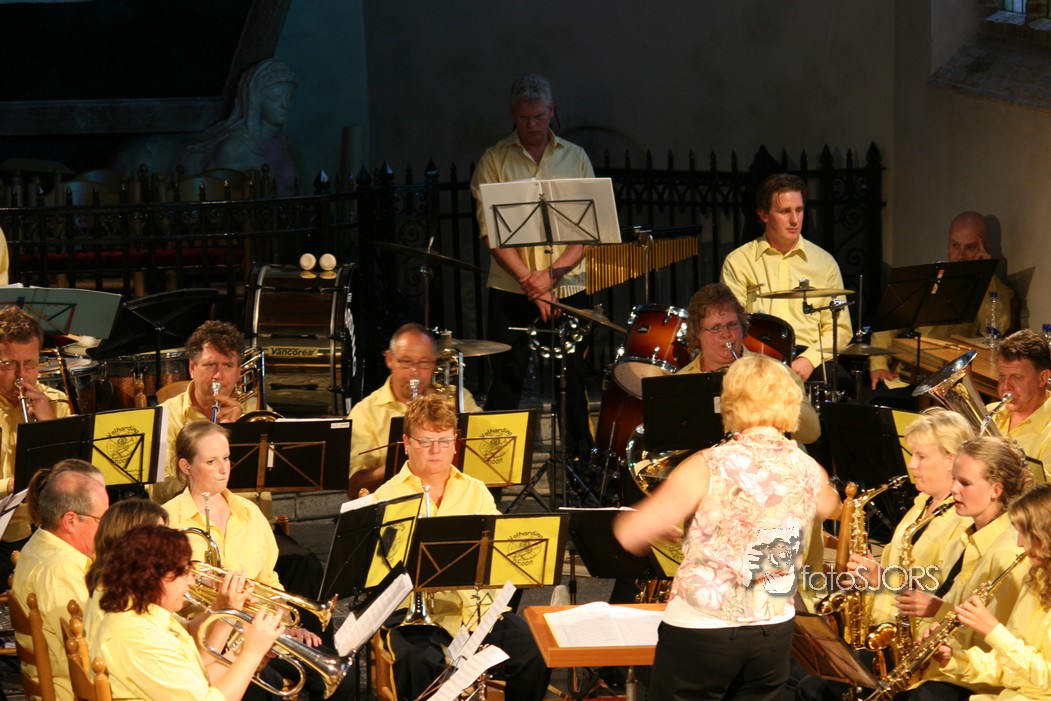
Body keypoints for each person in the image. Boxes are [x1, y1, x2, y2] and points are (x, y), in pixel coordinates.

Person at [613, 354, 840, 701]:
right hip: (772, 628)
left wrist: (642, 523)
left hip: (704, 629)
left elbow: (632, 533)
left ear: (730, 402)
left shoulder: (707, 465)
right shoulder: (810, 468)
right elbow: (828, 506)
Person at [372, 393, 549, 701]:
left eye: (444, 441)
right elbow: (377, 575)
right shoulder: (385, 498)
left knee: (534, 651)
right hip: (412, 618)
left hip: (475, 611)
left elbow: (497, 551)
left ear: (455, 443)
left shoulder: (475, 490)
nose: (436, 450)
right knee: (417, 662)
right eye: (426, 441)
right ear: (407, 443)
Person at [163, 420, 353, 701]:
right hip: (207, 643)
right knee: (267, 686)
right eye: (211, 461)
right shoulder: (168, 522)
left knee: (341, 678)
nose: (224, 468)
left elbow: (269, 582)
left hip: (260, 629)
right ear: (186, 466)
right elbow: (166, 602)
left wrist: (286, 624)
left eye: (226, 458)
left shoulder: (249, 513)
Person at [794, 410, 974, 701]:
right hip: (881, 633)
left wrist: (883, 578)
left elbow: (941, 593)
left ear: (951, 460)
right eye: (912, 455)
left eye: (921, 457)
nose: (911, 465)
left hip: (915, 648)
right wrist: (868, 572)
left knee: (811, 689)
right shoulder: (921, 504)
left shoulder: (962, 521)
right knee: (808, 681)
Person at [470, 73, 595, 463]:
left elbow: (586, 233)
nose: (532, 124)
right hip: (512, 290)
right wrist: (531, 281)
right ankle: (492, 474)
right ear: (513, 114)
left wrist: (551, 276)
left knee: (572, 380)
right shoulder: (494, 160)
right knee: (505, 380)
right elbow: (491, 234)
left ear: (551, 110)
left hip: (567, 288)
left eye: (539, 116)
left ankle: (580, 467)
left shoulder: (576, 157)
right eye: (524, 117)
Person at [894, 436, 1032, 701]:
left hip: (975, 681)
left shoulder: (1008, 553)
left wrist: (939, 615)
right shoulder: (966, 536)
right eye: (954, 479)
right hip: (946, 666)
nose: (954, 489)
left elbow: (994, 642)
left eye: (965, 483)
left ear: (996, 489)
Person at [89, 524, 286, 701]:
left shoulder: (144, 616)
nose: (192, 581)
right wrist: (251, 653)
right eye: (184, 572)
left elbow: (198, 679)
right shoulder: (139, 638)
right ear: (155, 578)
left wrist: (241, 653)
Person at [721, 173, 853, 384]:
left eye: (799, 210)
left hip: (808, 354)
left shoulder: (824, 263)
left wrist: (809, 359)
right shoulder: (739, 261)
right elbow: (731, 325)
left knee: (843, 384)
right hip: (757, 355)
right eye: (785, 211)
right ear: (763, 214)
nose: (794, 220)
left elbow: (840, 329)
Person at [869, 211, 1015, 396]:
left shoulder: (995, 287)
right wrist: (878, 364)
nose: (960, 255)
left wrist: (987, 275)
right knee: (879, 399)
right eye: (955, 245)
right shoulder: (930, 278)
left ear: (984, 248)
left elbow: (996, 329)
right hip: (915, 371)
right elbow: (888, 326)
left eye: (970, 247)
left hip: (958, 376)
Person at [930, 482, 1051, 701]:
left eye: (1025, 533)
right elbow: (1007, 669)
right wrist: (954, 659)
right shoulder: (1036, 580)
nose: (1019, 543)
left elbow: (1047, 680)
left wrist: (993, 631)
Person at [347, 323, 480, 496]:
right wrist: (406, 463)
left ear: (435, 362)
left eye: (424, 362)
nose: (415, 372)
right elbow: (354, 487)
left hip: (454, 500)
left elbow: (484, 453)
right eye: (406, 361)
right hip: (394, 505)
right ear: (389, 359)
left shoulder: (458, 398)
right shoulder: (365, 413)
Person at [12, 465, 109, 701]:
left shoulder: (40, 543)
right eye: (102, 519)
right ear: (70, 521)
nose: (108, 527)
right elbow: (93, 651)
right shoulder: (60, 571)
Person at [681, 282, 820, 444]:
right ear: (697, 333)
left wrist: (770, 399)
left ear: (742, 327)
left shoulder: (776, 371)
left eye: (732, 325)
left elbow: (811, 433)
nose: (726, 334)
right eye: (716, 328)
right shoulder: (681, 381)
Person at [154, 320, 255, 506]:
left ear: (239, 373)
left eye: (228, 365)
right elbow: (160, 491)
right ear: (192, 368)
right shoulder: (165, 416)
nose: (218, 375)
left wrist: (239, 431)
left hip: (248, 519)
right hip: (190, 520)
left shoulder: (256, 412)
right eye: (210, 365)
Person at [0, 305, 73, 540]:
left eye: (30, 363)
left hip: (43, 528)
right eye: (9, 364)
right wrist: (10, 486)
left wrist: (49, 425)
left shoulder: (56, 402)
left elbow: (74, 478)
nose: (21, 375)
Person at [984, 330, 1051, 472]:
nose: (1005, 387)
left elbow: (1042, 487)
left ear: (1043, 378)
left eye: (1017, 377)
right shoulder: (990, 412)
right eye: (1002, 375)